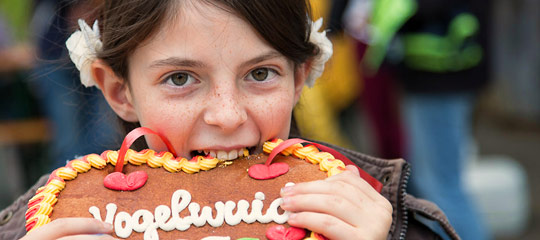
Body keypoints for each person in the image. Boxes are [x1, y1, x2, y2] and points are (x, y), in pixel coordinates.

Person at [0, 1, 459, 239]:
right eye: (180, 78)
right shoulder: (51, 222)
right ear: (119, 90)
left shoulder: (383, 220)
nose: (226, 115)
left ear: (300, 78)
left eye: (260, 74)